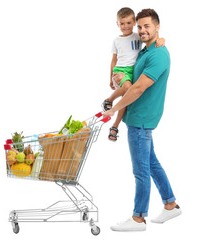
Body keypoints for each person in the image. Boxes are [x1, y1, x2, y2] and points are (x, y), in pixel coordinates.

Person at [103, 9, 182, 232]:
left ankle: (138, 218)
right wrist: (119, 78)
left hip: (141, 119)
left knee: (140, 171)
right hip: (138, 116)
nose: (142, 30)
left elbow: (138, 88)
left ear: (158, 27)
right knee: (151, 164)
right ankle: (170, 204)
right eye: (140, 27)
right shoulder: (146, 49)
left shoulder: (158, 53)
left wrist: (114, 109)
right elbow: (130, 74)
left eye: (147, 26)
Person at [103, 7, 164, 142]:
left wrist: (162, 39)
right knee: (128, 90)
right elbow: (113, 60)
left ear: (134, 23)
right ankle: (109, 100)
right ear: (117, 24)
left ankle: (115, 126)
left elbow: (152, 39)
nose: (125, 26)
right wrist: (111, 78)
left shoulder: (138, 37)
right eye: (122, 23)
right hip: (121, 70)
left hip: (132, 70)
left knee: (128, 97)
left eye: (129, 23)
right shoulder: (117, 41)